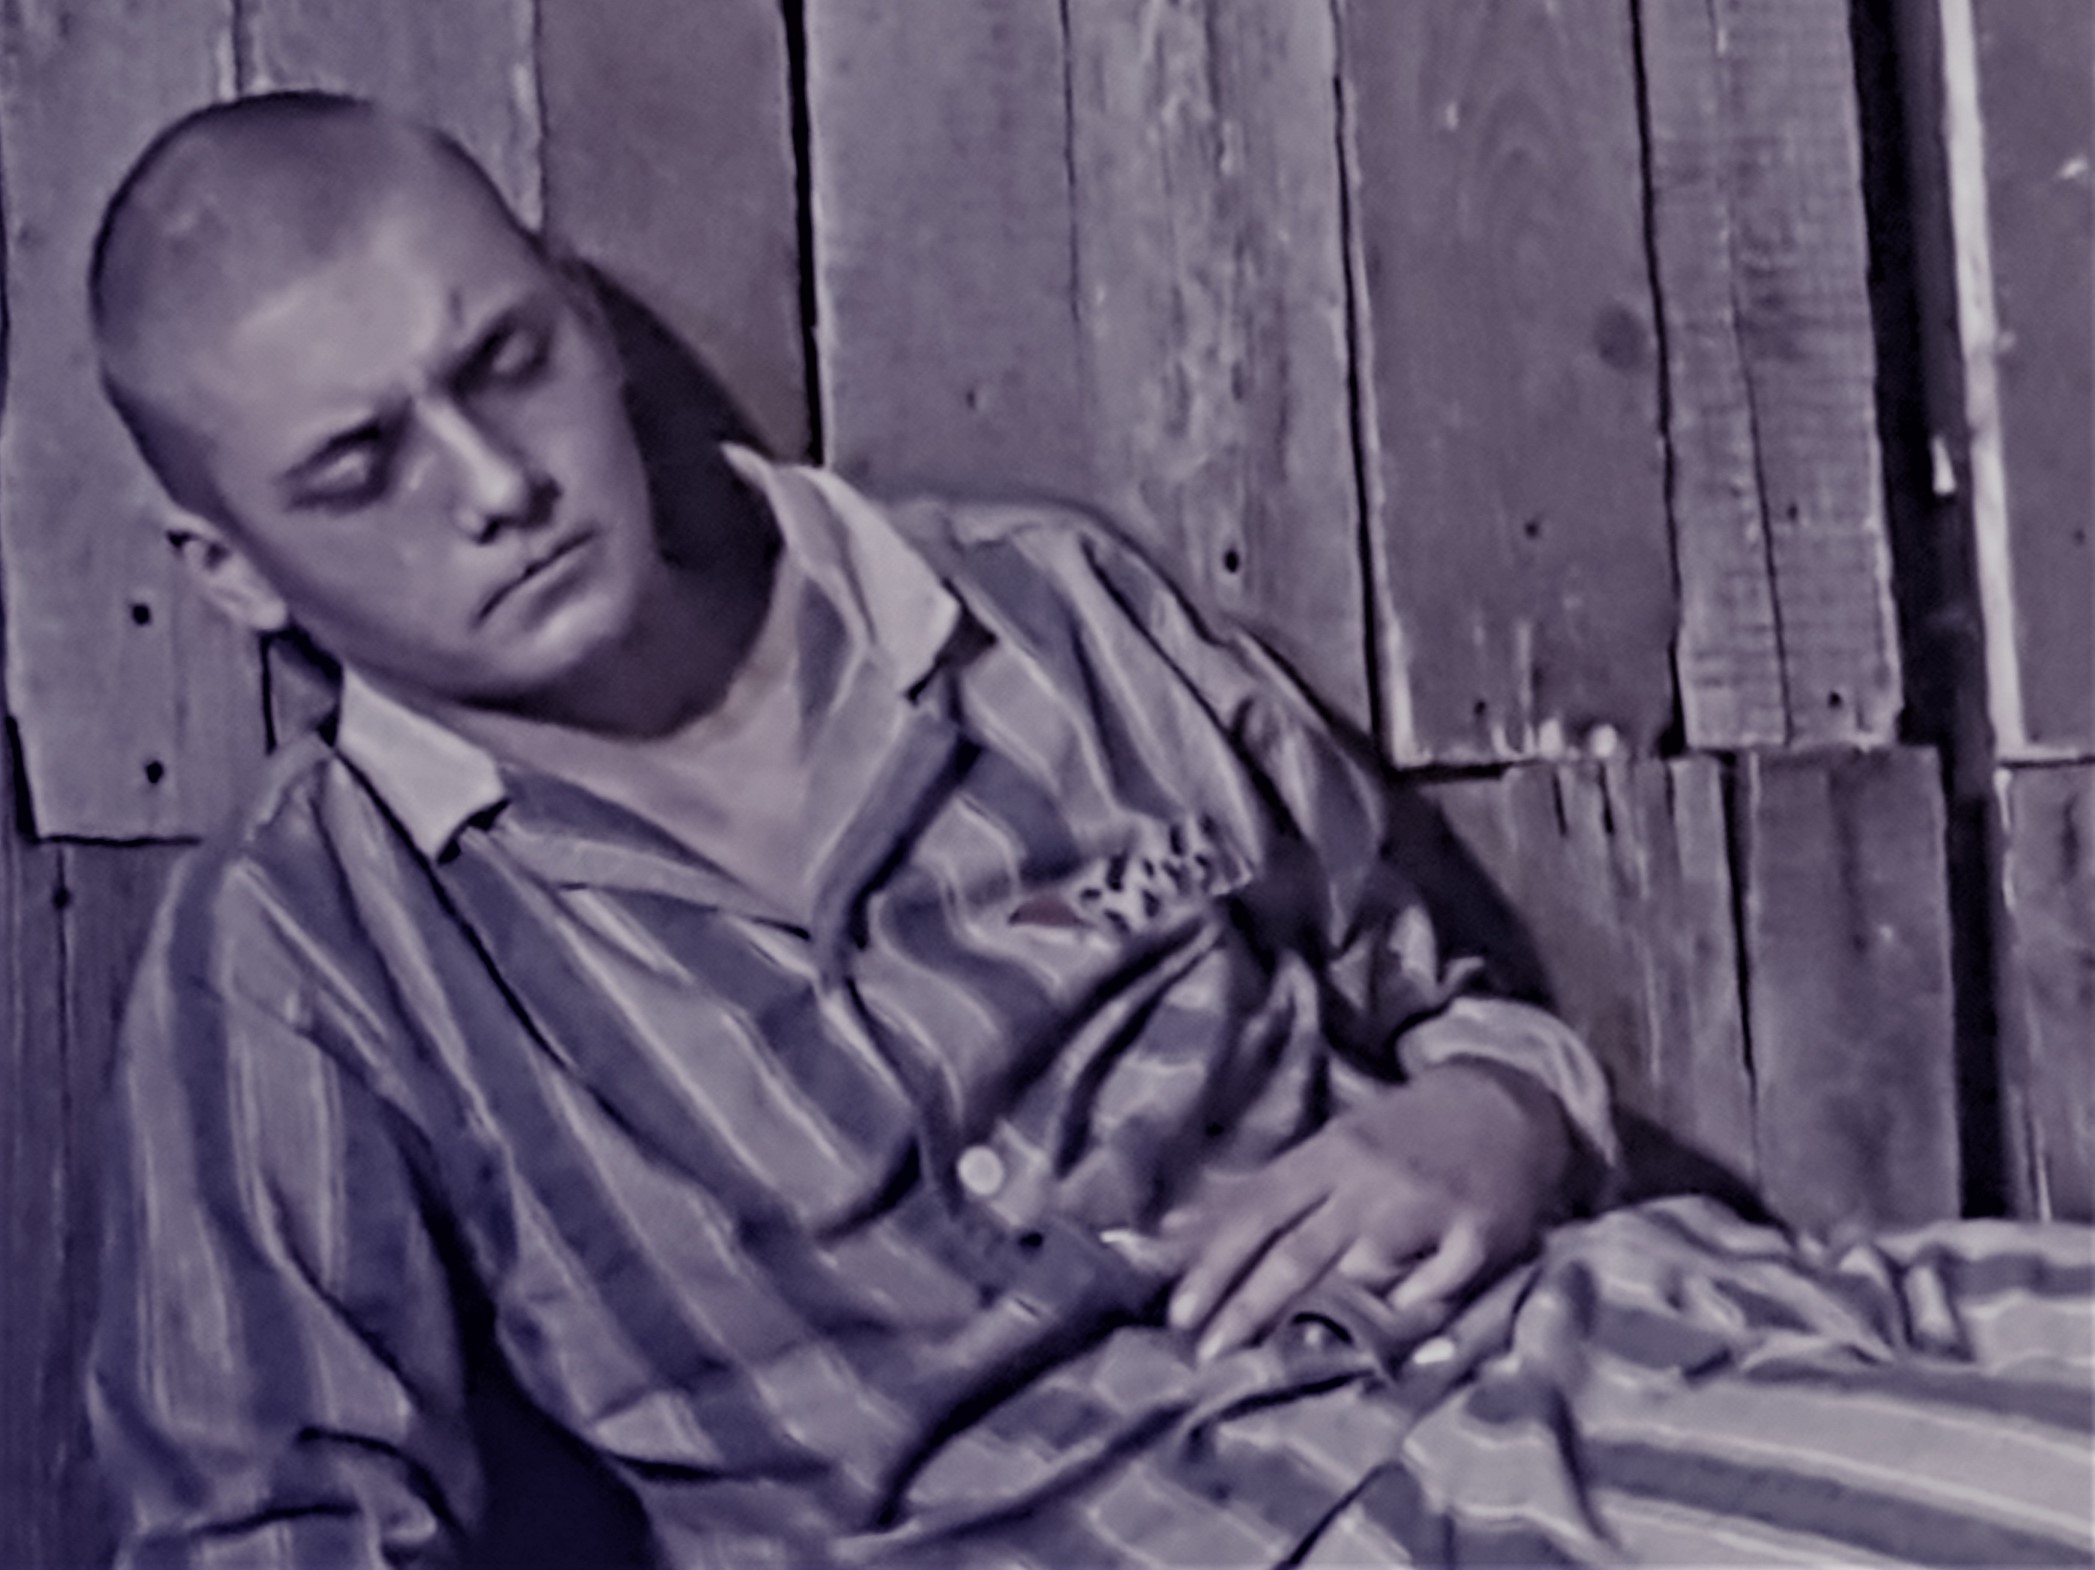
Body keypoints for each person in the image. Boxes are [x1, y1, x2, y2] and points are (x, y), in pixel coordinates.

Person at [84, 93, 2092, 1569]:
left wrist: (1491, 1116)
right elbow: (265, 1522)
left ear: (580, 320)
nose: (492, 484)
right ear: (229, 566)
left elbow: (1444, 1002)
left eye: (503, 363)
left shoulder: (1041, 612)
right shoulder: (305, 955)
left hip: (1619, 1349)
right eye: (360, 464)